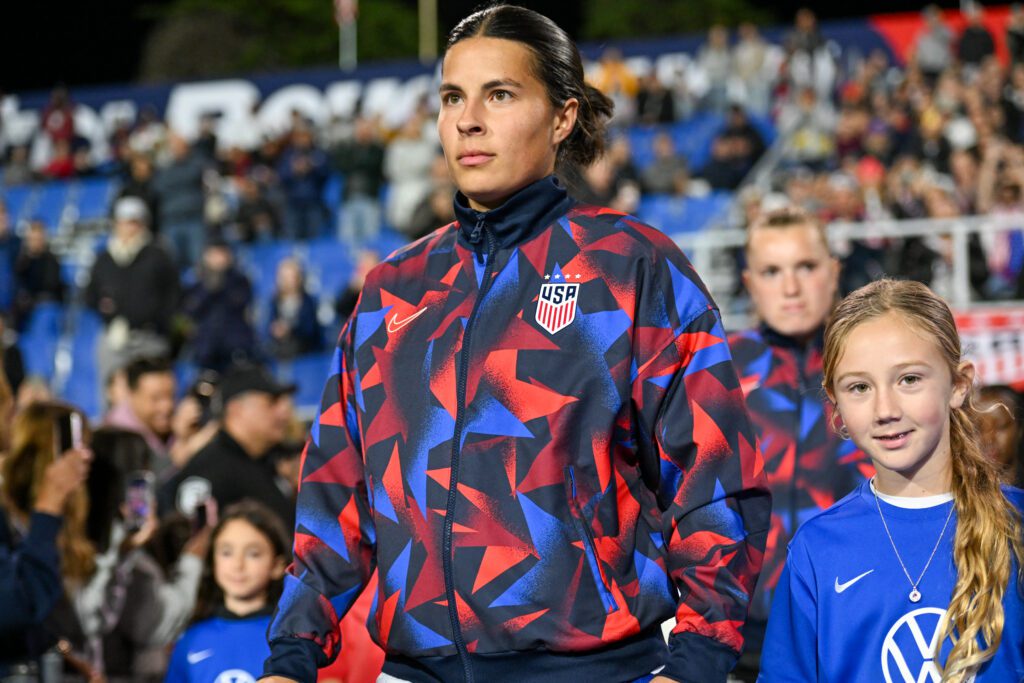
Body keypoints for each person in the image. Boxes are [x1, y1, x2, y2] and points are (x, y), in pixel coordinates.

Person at [262, 6, 769, 683]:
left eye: (499, 94)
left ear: (561, 118)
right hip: (415, 669)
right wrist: (290, 657)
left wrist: (700, 658)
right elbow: (335, 492)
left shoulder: (630, 265)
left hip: (597, 669)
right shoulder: (392, 290)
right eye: (452, 98)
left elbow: (713, 478)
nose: (468, 120)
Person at [760, 279, 1024, 682]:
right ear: (836, 402)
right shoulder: (817, 548)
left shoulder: (1017, 525)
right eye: (860, 387)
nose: (885, 409)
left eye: (909, 379)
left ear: (958, 384)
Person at [727, 206, 868, 681]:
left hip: (861, 618)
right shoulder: (718, 370)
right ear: (750, 283)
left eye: (805, 267)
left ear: (834, 271)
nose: (791, 288)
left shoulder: (876, 361)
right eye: (772, 271)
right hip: (745, 631)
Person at [160, 364, 297, 530]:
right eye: (270, 403)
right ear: (237, 409)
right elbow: (188, 540)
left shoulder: (259, 462)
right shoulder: (211, 468)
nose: (283, 413)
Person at [165, 501, 289, 683]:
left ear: (278, 565)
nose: (238, 565)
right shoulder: (191, 638)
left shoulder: (291, 641)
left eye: (253, 554)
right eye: (226, 552)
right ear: (212, 560)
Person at [85, 196, 179, 392]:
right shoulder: (104, 258)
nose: (129, 228)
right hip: (114, 337)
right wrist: (107, 311)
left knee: (153, 396)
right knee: (112, 395)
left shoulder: (158, 255)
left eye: (134, 222)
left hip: (150, 337)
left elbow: (173, 294)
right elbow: (90, 294)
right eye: (125, 221)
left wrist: (159, 322)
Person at [103, 356, 178, 477]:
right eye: (156, 398)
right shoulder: (117, 440)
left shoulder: (177, 426)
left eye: (171, 396)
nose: (167, 407)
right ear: (131, 395)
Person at [977, 384, 1024, 488]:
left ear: (1019, 428)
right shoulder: (957, 496)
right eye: (977, 429)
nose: (988, 439)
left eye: (1000, 426)